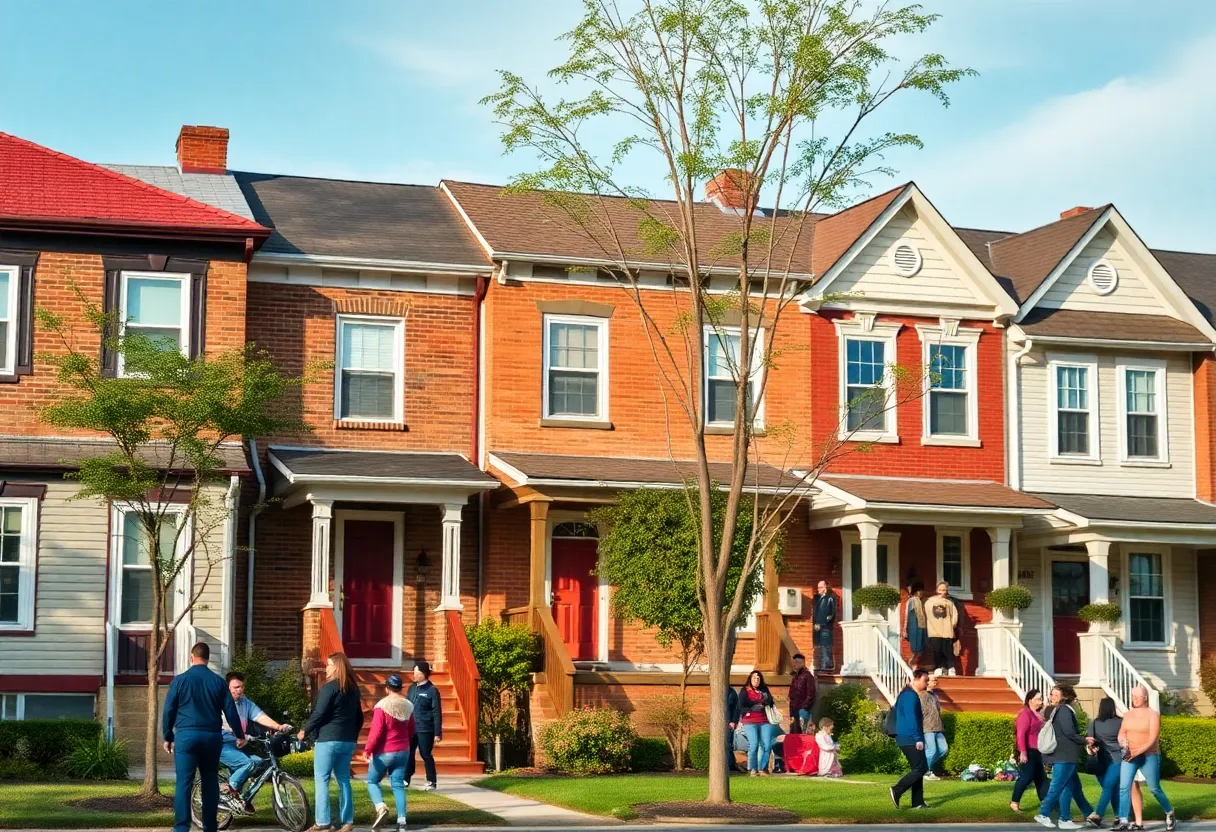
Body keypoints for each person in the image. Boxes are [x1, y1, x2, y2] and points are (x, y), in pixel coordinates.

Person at [162, 642, 245, 832]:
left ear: (192, 657)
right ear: (208, 659)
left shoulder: (180, 680)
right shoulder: (217, 682)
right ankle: (210, 827)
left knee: (184, 782)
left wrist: (168, 736)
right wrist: (239, 735)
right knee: (209, 781)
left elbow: (169, 710)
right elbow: (230, 711)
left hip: (185, 737)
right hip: (211, 737)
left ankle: (181, 828)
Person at [300, 652, 363, 832]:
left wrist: (305, 730)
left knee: (322, 779)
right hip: (347, 740)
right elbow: (359, 717)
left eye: (328, 664)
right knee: (344, 780)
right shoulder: (353, 688)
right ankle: (347, 821)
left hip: (328, 739)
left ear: (336, 666)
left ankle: (323, 823)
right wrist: (354, 736)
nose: (326, 668)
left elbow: (319, 713)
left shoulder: (329, 687)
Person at [221, 672, 286, 811]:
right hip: (222, 744)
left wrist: (278, 726)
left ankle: (241, 798)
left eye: (241, 686)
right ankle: (230, 791)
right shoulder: (221, 702)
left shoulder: (245, 702)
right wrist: (240, 737)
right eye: (236, 687)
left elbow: (260, 716)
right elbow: (222, 727)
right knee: (248, 763)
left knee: (259, 763)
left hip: (239, 744)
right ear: (228, 688)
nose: (239, 690)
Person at [1115, 686, 1175, 832]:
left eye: (1137, 696)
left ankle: (1169, 812)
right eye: (1133, 696)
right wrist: (1123, 741)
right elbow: (1122, 732)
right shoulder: (1128, 714)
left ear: (1145, 697)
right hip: (1130, 755)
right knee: (1125, 787)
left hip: (1149, 755)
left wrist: (1137, 751)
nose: (1134, 698)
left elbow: (1153, 738)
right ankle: (1127, 820)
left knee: (1154, 788)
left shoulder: (1152, 715)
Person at [364, 674, 416, 831]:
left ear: (387, 688)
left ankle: (381, 807)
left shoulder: (382, 706)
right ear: (400, 688)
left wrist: (368, 749)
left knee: (372, 781)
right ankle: (402, 821)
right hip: (403, 750)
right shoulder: (408, 705)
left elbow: (376, 731)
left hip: (385, 751)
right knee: (398, 785)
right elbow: (412, 730)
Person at [1034, 684, 1088, 830]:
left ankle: (1065, 819)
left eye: (1055, 694)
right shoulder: (1064, 710)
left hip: (1065, 755)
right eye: (1052, 694)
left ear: (1064, 696)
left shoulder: (1059, 710)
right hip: (1064, 755)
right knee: (1056, 786)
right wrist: (1085, 740)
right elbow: (1069, 733)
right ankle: (1043, 814)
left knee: (1068, 787)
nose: (1052, 697)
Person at [1088, 696, 1144, 827]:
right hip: (1118, 759)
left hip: (1101, 760)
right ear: (1113, 707)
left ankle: (1098, 815)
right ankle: (1120, 815)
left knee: (1108, 787)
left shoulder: (1094, 723)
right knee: (1112, 788)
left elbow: (1090, 742)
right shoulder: (1121, 722)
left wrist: (1092, 749)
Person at [890, 669, 930, 810]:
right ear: (916, 679)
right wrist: (918, 738)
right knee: (921, 767)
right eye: (925, 680)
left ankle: (918, 802)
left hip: (907, 737)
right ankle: (897, 790)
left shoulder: (906, 694)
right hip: (910, 738)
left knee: (917, 769)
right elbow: (912, 719)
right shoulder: (909, 696)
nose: (927, 684)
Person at [406, 660, 443, 791]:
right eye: (414, 671)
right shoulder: (412, 688)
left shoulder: (432, 690)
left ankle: (432, 781)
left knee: (425, 754)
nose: (414, 674)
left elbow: (436, 712)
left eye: (417, 672)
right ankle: (406, 778)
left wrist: (437, 733)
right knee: (409, 753)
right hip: (411, 728)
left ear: (424, 674)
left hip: (425, 728)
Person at [1011, 688, 1048, 813]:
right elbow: (1021, 734)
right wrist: (1023, 752)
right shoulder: (1025, 713)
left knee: (1041, 778)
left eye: (1041, 699)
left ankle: (1045, 803)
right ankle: (1014, 802)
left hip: (1038, 751)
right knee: (1026, 777)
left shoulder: (1037, 714)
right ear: (1030, 700)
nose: (1040, 701)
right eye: (1038, 699)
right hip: (1028, 750)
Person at [736, 669, 777, 776]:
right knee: (753, 745)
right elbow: (741, 706)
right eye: (754, 678)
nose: (756, 680)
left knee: (767, 745)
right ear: (750, 679)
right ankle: (752, 769)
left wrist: (765, 702)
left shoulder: (764, 690)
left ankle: (763, 768)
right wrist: (753, 706)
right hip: (750, 721)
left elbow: (771, 701)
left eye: (758, 678)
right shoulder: (745, 690)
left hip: (764, 721)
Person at [924, 582, 958, 676]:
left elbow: (954, 615)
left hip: (947, 631)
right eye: (940, 590)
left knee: (948, 651)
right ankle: (938, 667)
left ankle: (951, 668)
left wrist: (952, 625)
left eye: (944, 590)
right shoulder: (929, 602)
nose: (942, 592)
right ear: (936, 590)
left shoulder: (950, 603)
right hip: (934, 631)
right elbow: (927, 614)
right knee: (937, 650)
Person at [920, 673, 948, 780]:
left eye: (936, 681)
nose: (935, 682)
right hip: (927, 727)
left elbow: (938, 711)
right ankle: (925, 772)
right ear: (927, 681)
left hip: (938, 727)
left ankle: (924, 768)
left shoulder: (935, 695)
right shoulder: (921, 695)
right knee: (931, 750)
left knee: (943, 749)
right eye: (933, 680)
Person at [812, 581, 837, 671]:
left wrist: (822, 623)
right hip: (819, 627)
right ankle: (822, 666)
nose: (818, 589)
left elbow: (830, 613)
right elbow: (819, 612)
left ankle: (827, 666)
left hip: (825, 627)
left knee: (826, 646)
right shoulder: (821, 598)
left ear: (825, 588)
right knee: (821, 646)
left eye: (819, 587)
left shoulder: (830, 598)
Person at [788, 653, 815, 734]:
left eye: (796, 662)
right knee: (794, 731)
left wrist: (804, 707)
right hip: (793, 708)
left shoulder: (808, 676)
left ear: (802, 663)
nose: (794, 665)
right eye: (794, 662)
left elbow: (811, 693)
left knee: (803, 731)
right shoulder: (795, 676)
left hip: (802, 709)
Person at [902, 582, 927, 667]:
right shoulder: (912, 600)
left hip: (921, 626)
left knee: (920, 649)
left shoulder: (920, 601)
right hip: (914, 625)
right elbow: (907, 615)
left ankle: (913, 664)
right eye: (919, 591)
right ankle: (911, 664)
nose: (921, 593)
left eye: (921, 592)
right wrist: (905, 629)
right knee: (915, 648)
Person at [726, 685, 742, 773]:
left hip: (729, 722)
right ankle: (730, 764)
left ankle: (730, 764)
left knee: (728, 743)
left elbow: (736, 708)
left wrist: (733, 721)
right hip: (720, 722)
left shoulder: (731, 692)